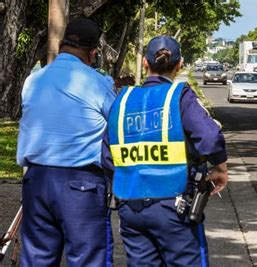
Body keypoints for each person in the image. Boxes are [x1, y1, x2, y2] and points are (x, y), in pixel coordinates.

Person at [102, 35, 228, 266]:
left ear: (145, 64)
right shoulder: (179, 97)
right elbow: (209, 137)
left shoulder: (123, 100)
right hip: (174, 207)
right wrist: (220, 168)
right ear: (180, 65)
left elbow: (108, 157)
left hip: (131, 207)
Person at [17, 18, 116, 266]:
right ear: (93, 53)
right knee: (88, 259)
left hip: (37, 181)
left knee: (37, 259)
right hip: (81, 185)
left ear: (62, 44)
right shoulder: (97, 82)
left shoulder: (33, 81)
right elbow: (116, 127)